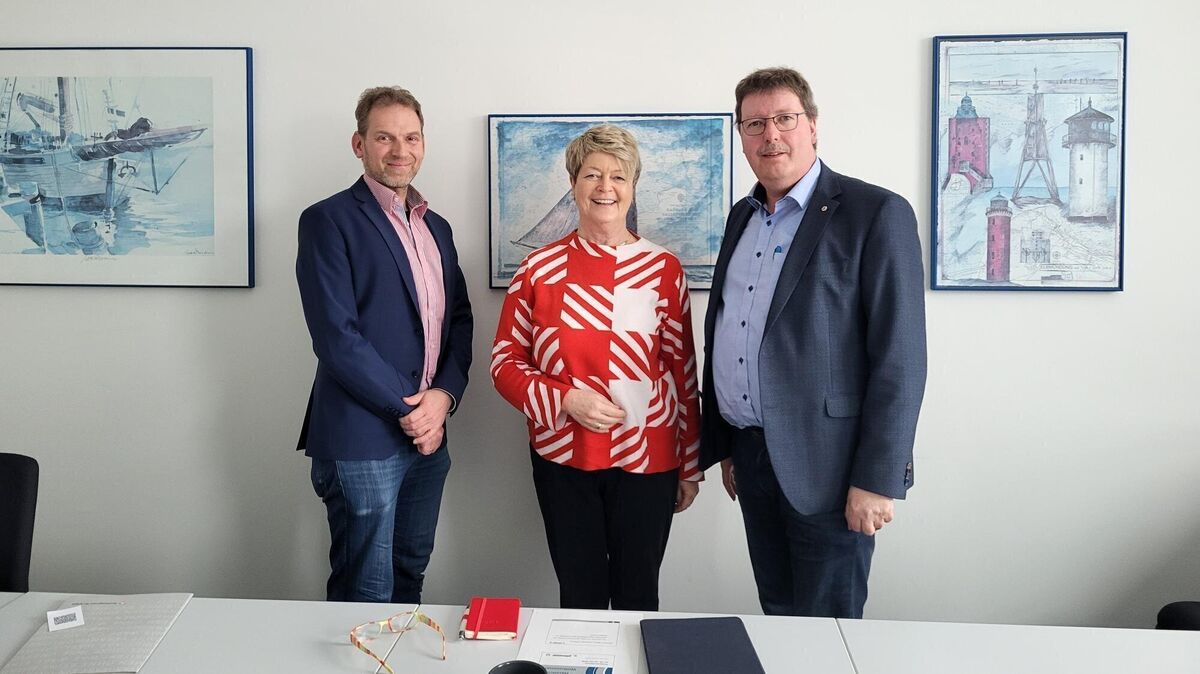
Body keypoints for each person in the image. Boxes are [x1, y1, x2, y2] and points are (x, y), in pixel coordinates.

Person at [699, 67, 927, 618]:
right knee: (778, 615)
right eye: (755, 124)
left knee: (829, 632)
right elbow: (730, 329)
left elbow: (901, 358)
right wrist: (728, 445)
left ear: (814, 125)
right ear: (741, 135)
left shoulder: (876, 213)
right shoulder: (742, 217)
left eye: (785, 118)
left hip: (833, 470)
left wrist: (877, 479)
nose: (770, 135)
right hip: (752, 458)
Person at [491, 124, 701, 611]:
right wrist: (564, 398)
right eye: (592, 175)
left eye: (618, 176)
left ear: (633, 187)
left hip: (648, 459)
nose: (605, 187)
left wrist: (690, 465)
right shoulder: (538, 269)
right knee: (579, 598)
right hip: (564, 458)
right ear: (573, 184)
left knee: (637, 598)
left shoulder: (664, 269)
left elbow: (683, 373)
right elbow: (504, 362)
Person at [295, 86, 473, 603]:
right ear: (359, 144)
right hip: (362, 440)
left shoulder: (437, 227)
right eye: (384, 138)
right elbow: (336, 337)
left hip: (429, 438)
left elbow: (459, 321)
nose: (400, 150)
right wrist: (414, 410)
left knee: (409, 576)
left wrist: (443, 398)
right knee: (365, 590)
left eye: (411, 138)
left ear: (424, 144)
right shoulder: (327, 220)